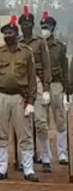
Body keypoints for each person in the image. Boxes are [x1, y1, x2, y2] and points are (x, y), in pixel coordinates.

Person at [0, 15, 38, 181]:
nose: (8, 35)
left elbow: (31, 78)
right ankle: (2, 167)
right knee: (0, 133)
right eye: (5, 33)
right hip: (1, 95)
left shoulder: (26, 53)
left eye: (10, 32)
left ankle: (28, 168)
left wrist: (31, 101)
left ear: (17, 34)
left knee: (25, 133)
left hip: (20, 97)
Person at [19, 6, 51, 172]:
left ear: (32, 25)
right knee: (24, 123)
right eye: (23, 24)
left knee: (40, 122)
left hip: (37, 82)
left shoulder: (40, 42)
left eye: (28, 23)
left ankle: (46, 157)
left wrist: (46, 88)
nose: (26, 26)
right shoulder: (17, 43)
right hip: (22, 84)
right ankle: (27, 157)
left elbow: (46, 66)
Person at [40, 11, 70, 165]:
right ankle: (45, 155)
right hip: (42, 86)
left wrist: (68, 91)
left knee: (60, 120)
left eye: (47, 26)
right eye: (42, 26)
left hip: (57, 85)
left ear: (53, 28)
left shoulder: (60, 47)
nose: (44, 29)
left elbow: (65, 70)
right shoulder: (38, 45)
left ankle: (62, 153)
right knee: (42, 121)